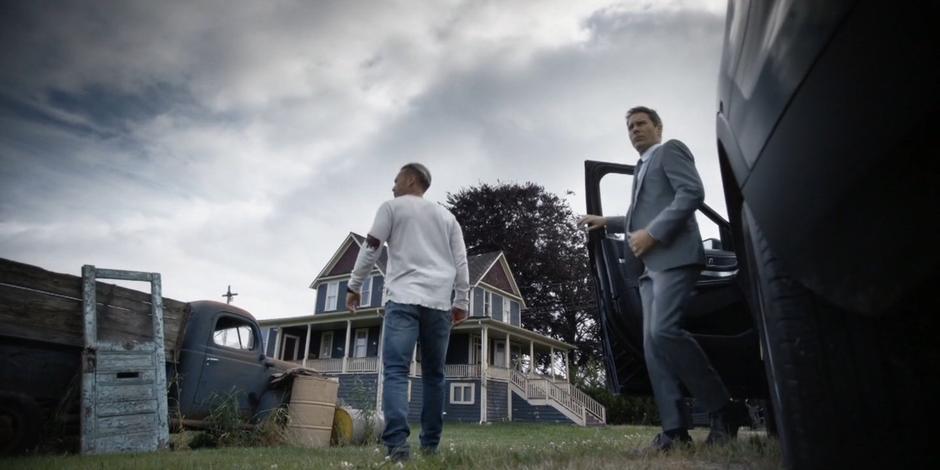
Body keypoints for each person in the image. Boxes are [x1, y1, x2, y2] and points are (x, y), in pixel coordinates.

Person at [579, 106, 746, 451]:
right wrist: (606, 221)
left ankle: (724, 409)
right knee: (654, 348)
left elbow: (691, 194)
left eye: (641, 124)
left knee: (664, 331)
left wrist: (652, 234)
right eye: (629, 127)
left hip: (676, 258)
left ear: (658, 127)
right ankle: (674, 432)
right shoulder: (641, 168)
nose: (635, 130)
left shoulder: (671, 150)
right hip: (648, 271)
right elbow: (642, 214)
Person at [346, 162, 470, 462]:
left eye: (396, 179)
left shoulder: (391, 207)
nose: (392, 185)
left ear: (412, 179)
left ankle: (398, 449)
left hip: (402, 300)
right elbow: (461, 260)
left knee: (397, 372)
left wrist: (354, 284)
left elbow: (371, 246)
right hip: (439, 304)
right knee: (434, 376)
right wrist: (462, 301)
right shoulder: (447, 217)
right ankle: (430, 447)